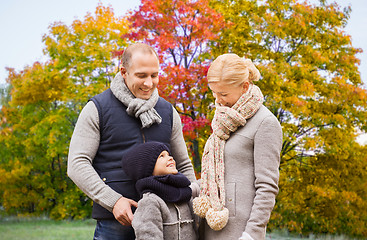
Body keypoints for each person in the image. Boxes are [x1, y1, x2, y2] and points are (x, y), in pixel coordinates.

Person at [67, 43, 199, 240]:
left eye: (154, 75)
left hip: (166, 223)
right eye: (141, 75)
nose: (149, 83)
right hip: (115, 224)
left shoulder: (169, 112)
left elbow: (183, 165)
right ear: (123, 72)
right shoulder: (97, 109)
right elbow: (77, 164)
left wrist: (194, 204)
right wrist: (114, 201)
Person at [192, 53, 282, 240]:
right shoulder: (224, 120)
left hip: (239, 232)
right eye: (214, 93)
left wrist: (252, 234)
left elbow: (267, 186)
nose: (218, 100)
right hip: (210, 226)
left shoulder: (265, 123)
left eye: (223, 94)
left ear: (245, 87)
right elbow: (216, 176)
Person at [121, 141, 198, 240]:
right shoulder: (150, 202)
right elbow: (147, 236)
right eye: (161, 156)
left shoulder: (184, 194)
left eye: (169, 155)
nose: (170, 158)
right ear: (147, 168)